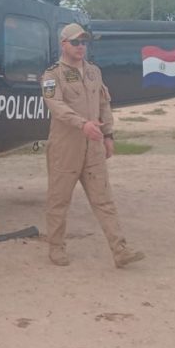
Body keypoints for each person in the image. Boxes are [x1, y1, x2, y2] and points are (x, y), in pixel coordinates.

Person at [40, 23, 145, 269]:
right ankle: (56, 247)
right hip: (65, 148)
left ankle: (120, 250)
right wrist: (82, 124)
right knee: (58, 201)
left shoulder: (94, 72)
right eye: (75, 42)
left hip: (94, 147)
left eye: (84, 42)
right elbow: (55, 105)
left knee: (104, 200)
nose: (80, 47)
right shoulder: (51, 75)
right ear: (63, 44)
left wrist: (108, 134)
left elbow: (104, 104)